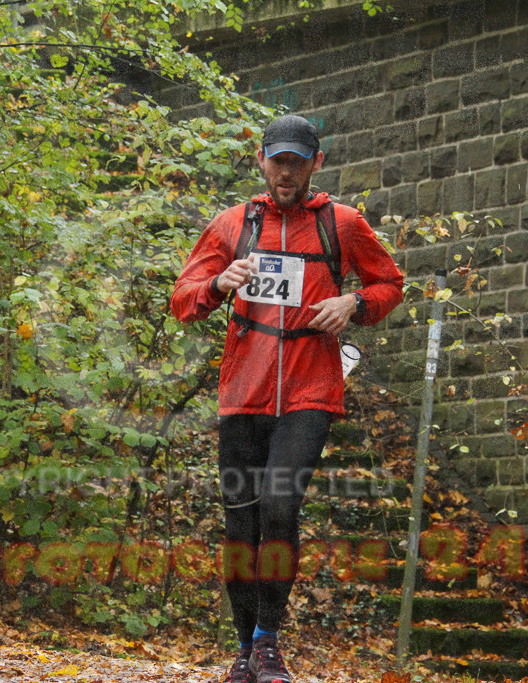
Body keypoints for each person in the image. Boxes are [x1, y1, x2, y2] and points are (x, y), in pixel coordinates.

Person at [170, 114, 404, 683]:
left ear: (316, 164)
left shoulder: (342, 225)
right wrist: (219, 283)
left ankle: (269, 641)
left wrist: (354, 306)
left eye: (298, 162)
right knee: (238, 525)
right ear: (262, 160)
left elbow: (390, 284)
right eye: (278, 161)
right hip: (243, 394)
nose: (287, 172)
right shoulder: (232, 226)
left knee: (279, 505)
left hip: (310, 390)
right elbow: (182, 300)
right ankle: (245, 648)